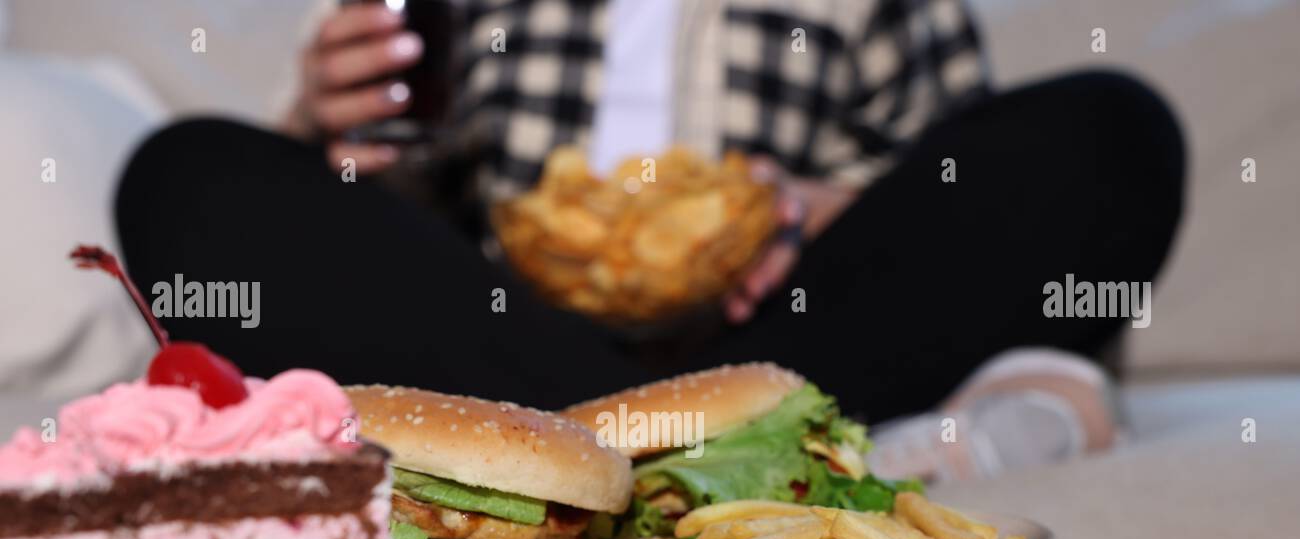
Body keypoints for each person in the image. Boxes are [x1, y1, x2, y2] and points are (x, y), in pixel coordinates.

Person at [115, 0, 1184, 436]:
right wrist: (326, 127)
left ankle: (611, 447)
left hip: (784, 331)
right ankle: (684, 452)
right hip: (509, 332)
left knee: (1107, 135)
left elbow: (946, 186)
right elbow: (402, 206)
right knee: (189, 174)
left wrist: (820, 210)